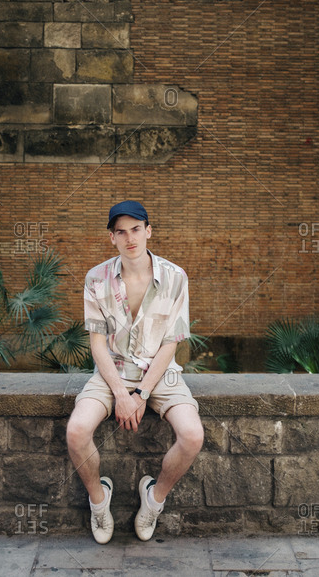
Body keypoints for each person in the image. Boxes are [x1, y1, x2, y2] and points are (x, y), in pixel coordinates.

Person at [66, 200, 204, 544]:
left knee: (193, 436)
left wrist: (141, 393)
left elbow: (171, 343)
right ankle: (99, 501)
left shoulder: (175, 277)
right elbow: (97, 345)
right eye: (121, 232)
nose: (130, 238)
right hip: (112, 371)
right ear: (112, 238)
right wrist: (120, 394)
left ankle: (154, 500)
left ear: (149, 231)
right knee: (76, 431)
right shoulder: (96, 278)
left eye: (136, 229)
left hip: (160, 373)